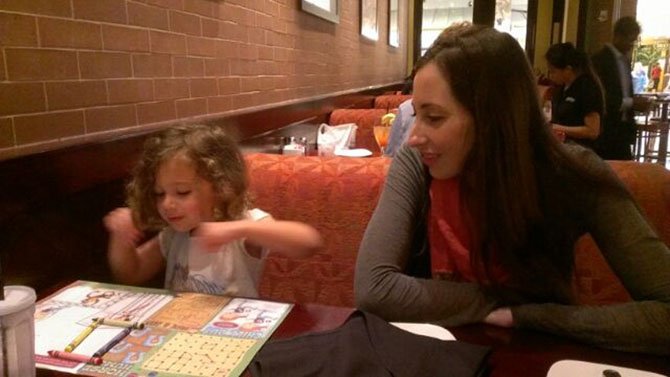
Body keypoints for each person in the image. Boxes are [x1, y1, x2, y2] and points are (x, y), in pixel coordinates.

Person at [354, 23, 670, 355]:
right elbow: (374, 289)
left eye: (434, 118)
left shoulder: (571, 173)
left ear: (493, 118)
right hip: (434, 358)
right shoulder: (416, 163)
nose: (414, 136)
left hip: (535, 357)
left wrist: (530, 316)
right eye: (416, 115)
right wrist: (508, 300)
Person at [104, 125, 322, 297]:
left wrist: (239, 229)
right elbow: (132, 273)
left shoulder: (244, 227)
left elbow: (308, 242)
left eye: (182, 192)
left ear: (221, 186)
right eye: (159, 193)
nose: (167, 204)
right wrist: (121, 239)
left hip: (236, 336)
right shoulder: (175, 234)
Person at [591, 16, 641, 160]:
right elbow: (602, 96)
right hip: (607, 129)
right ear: (618, 36)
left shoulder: (624, 61)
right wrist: (632, 102)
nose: (632, 45)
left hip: (622, 129)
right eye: (630, 40)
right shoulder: (600, 60)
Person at [545, 42, 605, 151]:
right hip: (564, 148)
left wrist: (557, 128)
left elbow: (592, 131)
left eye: (553, 71)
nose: (550, 75)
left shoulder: (586, 87)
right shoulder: (561, 88)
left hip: (583, 151)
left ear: (568, 69)